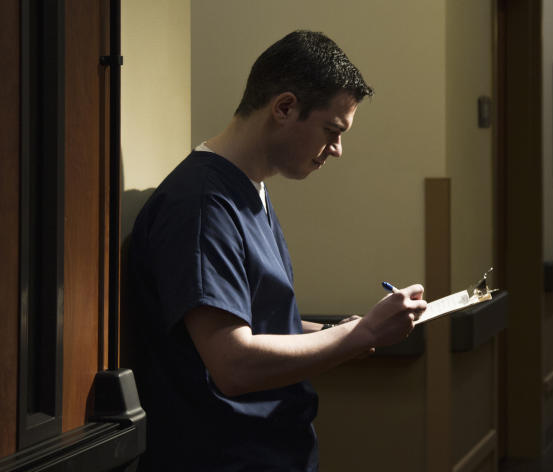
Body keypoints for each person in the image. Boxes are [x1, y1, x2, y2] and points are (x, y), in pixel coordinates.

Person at [129, 30, 427, 471]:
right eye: (332, 131)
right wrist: (359, 336)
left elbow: (257, 320)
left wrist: (345, 329)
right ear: (285, 107)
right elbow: (233, 363)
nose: (338, 150)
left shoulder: (251, 191)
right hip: (223, 457)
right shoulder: (202, 204)